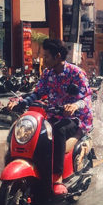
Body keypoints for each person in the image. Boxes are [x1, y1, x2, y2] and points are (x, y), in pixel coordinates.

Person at [19, 38, 92, 195]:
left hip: (76, 118)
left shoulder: (76, 73)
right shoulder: (47, 74)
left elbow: (86, 98)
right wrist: (20, 102)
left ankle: (57, 178)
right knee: (36, 133)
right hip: (53, 115)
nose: (43, 60)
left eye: (46, 57)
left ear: (57, 56)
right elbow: (37, 93)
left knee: (57, 131)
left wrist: (74, 106)